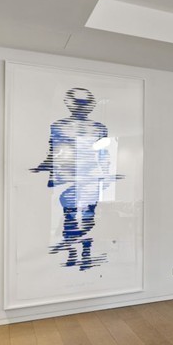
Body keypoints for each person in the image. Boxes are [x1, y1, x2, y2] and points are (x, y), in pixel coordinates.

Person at [31, 87, 121, 270]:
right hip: (68, 178)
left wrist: (105, 177)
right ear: (68, 103)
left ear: (92, 105)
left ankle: (83, 252)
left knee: (86, 217)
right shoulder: (58, 126)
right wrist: (44, 171)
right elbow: (53, 153)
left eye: (85, 103)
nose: (81, 107)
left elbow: (103, 155)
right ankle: (74, 252)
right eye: (78, 102)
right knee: (71, 216)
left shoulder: (99, 128)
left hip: (90, 178)